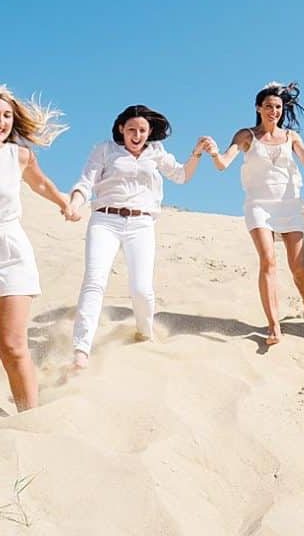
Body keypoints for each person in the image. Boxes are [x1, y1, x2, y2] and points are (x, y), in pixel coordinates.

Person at [203, 81, 304, 346]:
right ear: (258, 108)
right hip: (259, 205)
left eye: (277, 107)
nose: (273, 111)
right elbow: (223, 163)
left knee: (297, 267)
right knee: (268, 261)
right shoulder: (246, 135)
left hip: (289, 204)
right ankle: (274, 325)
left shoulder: (291, 137)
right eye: (268, 106)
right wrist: (212, 153)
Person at [68, 105, 205, 368]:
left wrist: (197, 153)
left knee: (141, 288)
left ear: (149, 131)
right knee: (94, 281)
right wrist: (75, 203)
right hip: (105, 220)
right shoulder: (105, 149)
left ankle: (144, 333)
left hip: (141, 223)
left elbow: (182, 175)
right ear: (121, 129)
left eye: (142, 130)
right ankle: (81, 348)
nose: (137, 135)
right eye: (132, 129)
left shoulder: (156, 152)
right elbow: (86, 182)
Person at [0, 86, 78, 410]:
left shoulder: (18, 155)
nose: (3, 122)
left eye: (6, 115)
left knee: (12, 345)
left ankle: (29, 418)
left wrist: (65, 204)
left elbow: (41, 183)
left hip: (10, 253)